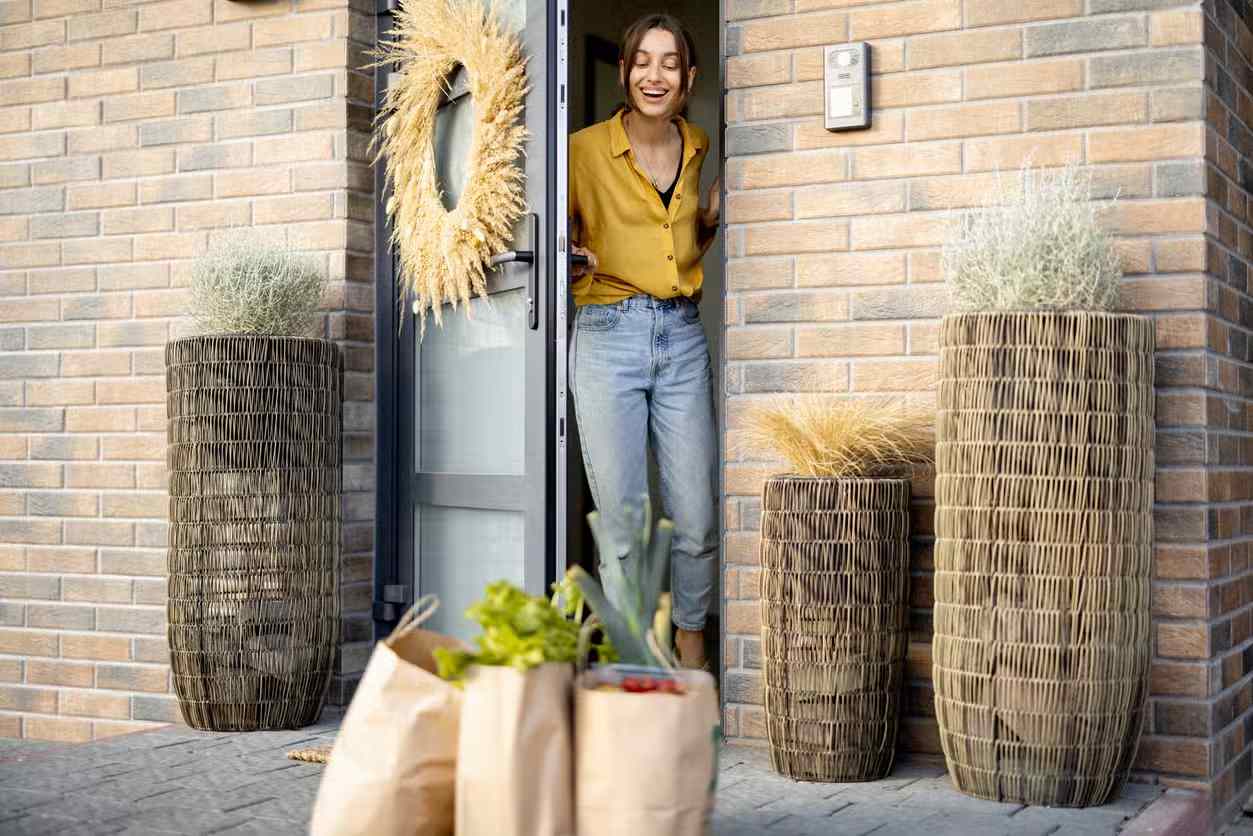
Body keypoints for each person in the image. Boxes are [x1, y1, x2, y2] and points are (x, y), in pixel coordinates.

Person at [568, 12, 720, 670]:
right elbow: (557, 239)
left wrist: (709, 220)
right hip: (608, 335)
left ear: (688, 78)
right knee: (624, 524)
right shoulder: (579, 151)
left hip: (681, 336)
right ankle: (635, 659)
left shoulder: (697, 145)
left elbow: (680, 242)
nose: (653, 75)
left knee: (696, 515)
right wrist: (570, 256)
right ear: (625, 72)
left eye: (668, 64)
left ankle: (691, 645)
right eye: (641, 62)